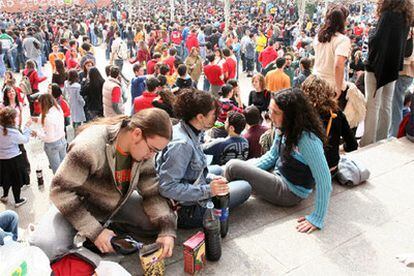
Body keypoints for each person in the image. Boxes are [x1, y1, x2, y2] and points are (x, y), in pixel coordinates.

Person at [30, 109, 176, 261]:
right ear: (137, 133)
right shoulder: (89, 146)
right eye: (152, 149)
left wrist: (166, 231)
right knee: (45, 246)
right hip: (77, 204)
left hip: (115, 202)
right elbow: (59, 191)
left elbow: (151, 191)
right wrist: (95, 231)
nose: (151, 155)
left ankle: (110, 228)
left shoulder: (143, 152)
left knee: (164, 220)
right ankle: (97, 233)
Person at [225, 89, 332, 233]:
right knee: (233, 168)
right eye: (270, 111)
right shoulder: (283, 128)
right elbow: (272, 156)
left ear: (290, 115)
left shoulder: (307, 140)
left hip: (289, 192)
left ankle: (214, 199)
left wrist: (317, 217)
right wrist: (249, 169)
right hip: (278, 175)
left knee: (233, 166)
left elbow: (324, 179)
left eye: (276, 112)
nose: (270, 116)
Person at [156, 89, 251, 229]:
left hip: (190, 190)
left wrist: (211, 180)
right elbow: (167, 187)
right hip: (187, 210)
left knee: (218, 170)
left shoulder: (184, 128)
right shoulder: (182, 145)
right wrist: (209, 190)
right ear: (200, 117)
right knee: (245, 187)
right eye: (213, 114)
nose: (217, 118)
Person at [361, 0, 413, 146]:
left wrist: (371, 33)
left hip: (377, 66)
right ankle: (382, 139)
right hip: (393, 66)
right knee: (386, 105)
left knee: (373, 105)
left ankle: (368, 142)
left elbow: (376, 39)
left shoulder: (387, 15)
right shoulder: (406, 17)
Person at [302, 75, 358, 173]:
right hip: (331, 168)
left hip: (307, 171)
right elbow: (353, 145)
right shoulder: (337, 112)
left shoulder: (302, 113)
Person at [313, 4, 350, 99]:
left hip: (315, 82)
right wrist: (338, 88)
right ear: (342, 21)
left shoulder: (318, 37)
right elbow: (338, 65)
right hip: (331, 85)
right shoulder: (343, 40)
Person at [0, 107, 31, 207]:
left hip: (2, 159)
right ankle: (17, 200)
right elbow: (25, 139)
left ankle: (4, 195)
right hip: (14, 159)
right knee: (16, 180)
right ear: (12, 119)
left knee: (5, 178)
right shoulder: (13, 132)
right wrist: (27, 128)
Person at [32, 94, 66, 174]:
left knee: (57, 170)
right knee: (64, 166)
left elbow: (49, 137)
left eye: (39, 103)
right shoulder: (58, 109)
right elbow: (54, 122)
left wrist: (37, 133)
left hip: (52, 145)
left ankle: (60, 185)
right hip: (62, 140)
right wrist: (38, 120)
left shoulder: (47, 117)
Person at [390, 27, 414, 137]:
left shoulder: (408, 36)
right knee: (398, 105)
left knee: (396, 106)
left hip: (403, 73)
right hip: (408, 75)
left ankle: (394, 134)